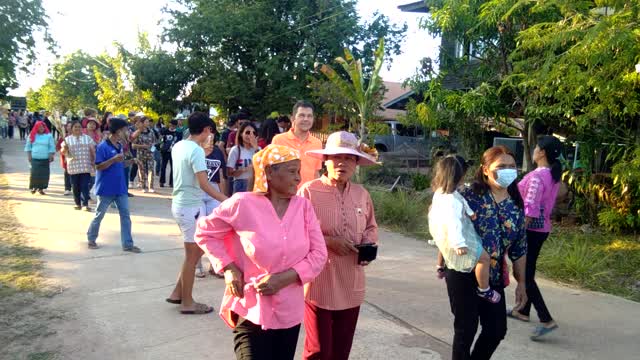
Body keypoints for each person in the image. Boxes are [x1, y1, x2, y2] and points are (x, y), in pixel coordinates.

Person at [194, 144, 327, 359]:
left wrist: (286, 278)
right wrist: (228, 268)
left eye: (298, 171)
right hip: (251, 310)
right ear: (269, 173)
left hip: (289, 313)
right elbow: (205, 232)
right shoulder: (242, 204)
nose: (298, 178)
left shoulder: (304, 207)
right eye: (292, 171)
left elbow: (319, 254)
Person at [299, 131, 379, 360]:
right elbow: (296, 233)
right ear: (326, 160)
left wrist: (368, 245)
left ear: (356, 163)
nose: (342, 162)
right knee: (318, 351)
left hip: (351, 282)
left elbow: (371, 227)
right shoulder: (308, 191)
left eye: (349, 157)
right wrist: (329, 242)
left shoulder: (361, 194)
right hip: (319, 283)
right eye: (336, 156)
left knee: (342, 350)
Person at [446, 145, 528, 360]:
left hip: (493, 276)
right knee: (466, 328)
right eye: (501, 166)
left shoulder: (516, 206)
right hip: (462, 272)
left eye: (512, 166)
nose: (507, 171)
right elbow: (443, 219)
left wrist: (522, 282)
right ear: (485, 169)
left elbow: (519, 248)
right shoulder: (467, 195)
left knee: (496, 329)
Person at [165, 112, 227, 315]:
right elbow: (204, 184)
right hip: (191, 206)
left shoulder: (180, 145)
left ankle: (177, 293)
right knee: (192, 257)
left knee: (197, 251)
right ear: (207, 130)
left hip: (182, 204)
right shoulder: (196, 151)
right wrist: (227, 200)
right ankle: (188, 302)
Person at [510, 135, 563, 340]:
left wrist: (519, 233)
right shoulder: (552, 175)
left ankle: (546, 319)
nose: (532, 151)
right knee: (528, 269)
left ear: (541, 152)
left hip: (530, 230)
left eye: (536, 148)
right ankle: (523, 311)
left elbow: (530, 209)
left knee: (524, 274)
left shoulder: (537, 177)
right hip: (543, 230)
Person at [429, 155, 500, 303]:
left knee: (444, 247)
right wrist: (459, 243)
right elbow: (454, 222)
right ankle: (484, 289)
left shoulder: (442, 193)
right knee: (483, 258)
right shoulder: (452, 201)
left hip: (444, 233)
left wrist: (470, 213)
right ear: (460, 176)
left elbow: (461, 202)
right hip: (458, 236)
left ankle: (440, 266)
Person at [86, 118, 141, 252]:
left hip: (120, 187)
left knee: (125, 216)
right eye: (125, 130)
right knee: (99, 215)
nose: (127, 132)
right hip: (106, 188)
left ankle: (127, 244)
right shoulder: (102, 147)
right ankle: (91, 238)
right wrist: (112, 159)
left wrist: (131, 161)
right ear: (118, 131)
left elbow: (119, 164)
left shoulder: (120, 146)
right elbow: (98, 166)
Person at [195, 132, 227, 278]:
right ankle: (196, 263)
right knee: (199, 229)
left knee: (215, 229)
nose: (211, 141)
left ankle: (215, 265)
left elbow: (221, 175)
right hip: (198, 190)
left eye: (213, 138)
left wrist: (224, 197)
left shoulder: (217, 152)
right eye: (208, 138)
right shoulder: (196, 151)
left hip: (214, 189)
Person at [272, 100, 323, 187]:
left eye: (309, 116)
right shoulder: (279, 141)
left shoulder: (317, 143)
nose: (306, 119)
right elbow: (272, 171)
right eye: (301, 115)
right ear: (293, 118)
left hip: (307, 196)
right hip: (285, 195)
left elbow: (316, 172)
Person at [61, 121, 95, 211]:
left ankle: (85, 204)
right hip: (73, 166)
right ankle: (77, 203)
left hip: (85, 165)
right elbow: (63, 152)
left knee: (84, 185)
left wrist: (94, 160)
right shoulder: (67, 140)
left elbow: (92, 150)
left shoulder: (87, 138)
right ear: (71, 128)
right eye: (75, 127)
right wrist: (65, 149)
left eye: (79, 127)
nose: (77, 128)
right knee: (75, 186)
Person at [226, 122, 260, 194]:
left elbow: (263, 164)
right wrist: (245, 169)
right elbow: (229, 173)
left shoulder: (258, 149)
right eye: (247, 132)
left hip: (256, 183)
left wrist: (256, 147)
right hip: (240, 183)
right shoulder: (236, 150)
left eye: (254, 133)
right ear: (241, 134)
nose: (251, 135)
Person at [24, 121, 55, 195]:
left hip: (45, 158)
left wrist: (51, 155)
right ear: (36, 127)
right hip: (34, 158)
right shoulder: (32, 135)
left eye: (43, 127)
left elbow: (51, 146)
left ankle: (41, 188)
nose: (41, 128)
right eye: (39, 127)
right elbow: (28, 146)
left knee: (44, 174)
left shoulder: (49, 136)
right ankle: (34, 187)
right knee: (34, 173)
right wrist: (29, 156)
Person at [132, 117, 157, 193]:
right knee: (141, 170)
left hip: (150, 154)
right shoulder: (138, 132)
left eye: (148, 122)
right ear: (142, 123)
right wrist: (143, 146)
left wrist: (153, 148)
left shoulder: (151, 131)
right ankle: (143, 186)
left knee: (151, 170)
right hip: (141, 154)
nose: (147, 123)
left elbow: (154, 142)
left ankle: (151, 187)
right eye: (146, 122)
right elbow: (133, 145)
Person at [159, 119, 181, 187]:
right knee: (163, 167)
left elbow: (180, 142)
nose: (172, 126)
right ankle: (162, 181)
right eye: (171, 125)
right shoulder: (165, 131)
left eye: (173, 125)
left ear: (176, 126)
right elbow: (160, 139)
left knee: (173, 167)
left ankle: (171, 182)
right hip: (165, 151)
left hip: (174, 152)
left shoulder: (178, 133)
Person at [56, 123, 73, 196]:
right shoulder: (63, 137)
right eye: (68, 126)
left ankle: (75, 187)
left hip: (76, 158)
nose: (69, 128)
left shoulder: (79, 136)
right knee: (67, 172)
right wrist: (64, 151)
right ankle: (67, 188)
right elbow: (58, 148)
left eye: (71, 126)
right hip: (66, 157)